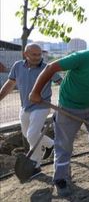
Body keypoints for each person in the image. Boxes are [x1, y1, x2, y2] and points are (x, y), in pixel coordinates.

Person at [29, 39, 89, 196]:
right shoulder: (83, 58)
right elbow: (51, 67)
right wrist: (36, 92)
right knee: (64, 145)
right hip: (68, 106)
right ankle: (60, 179)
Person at [0, 43, 61, 178]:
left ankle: (36, 165)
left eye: (39, 54)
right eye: (34, 54)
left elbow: (61, 83)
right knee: (27, 134)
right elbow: (10, 84)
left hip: (42, 106)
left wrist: (64, 101)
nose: (38, 57)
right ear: (25, 54)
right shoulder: (17, 66)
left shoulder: (48, 68)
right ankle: (51, 144)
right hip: (25, 107)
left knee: (32, 135)